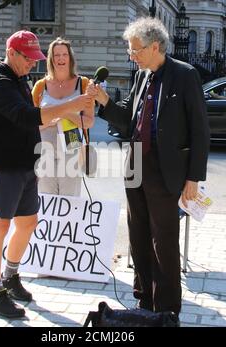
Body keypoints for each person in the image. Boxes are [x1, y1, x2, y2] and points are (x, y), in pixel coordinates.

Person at [87, 17, 210, 322]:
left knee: (163, 240)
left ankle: (167, 309)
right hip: (135, 166)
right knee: (138, 235)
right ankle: (143, 301)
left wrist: (193, 177)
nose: (132, 55)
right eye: (130, 51)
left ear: (155, 46)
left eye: (136, 50)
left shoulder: (184, 75)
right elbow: (128, 120)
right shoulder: (141, 75)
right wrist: (103, 101)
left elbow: (200, 130)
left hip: (166, 171)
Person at [0, 30, 92, 318]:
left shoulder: (19, 80)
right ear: (12, 53)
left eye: (35, 59)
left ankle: (10, 276)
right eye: (27, 58)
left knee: (28, 222)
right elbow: (29, 117)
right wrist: (73, 106)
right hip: (0, 167)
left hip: (25, 166)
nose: (32, 64)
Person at [32, 37, 94, 196]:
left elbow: (88, 122)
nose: (60, 58)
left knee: (70, 201)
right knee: (46, 201)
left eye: (64, 54)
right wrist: (55, 117)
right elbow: (31, 122)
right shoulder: (40, 86)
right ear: (51, 59)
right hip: (45, 149)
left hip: (72, 147)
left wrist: (64, 112)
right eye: (56, 55)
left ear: (70, 58)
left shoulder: (84, 84)